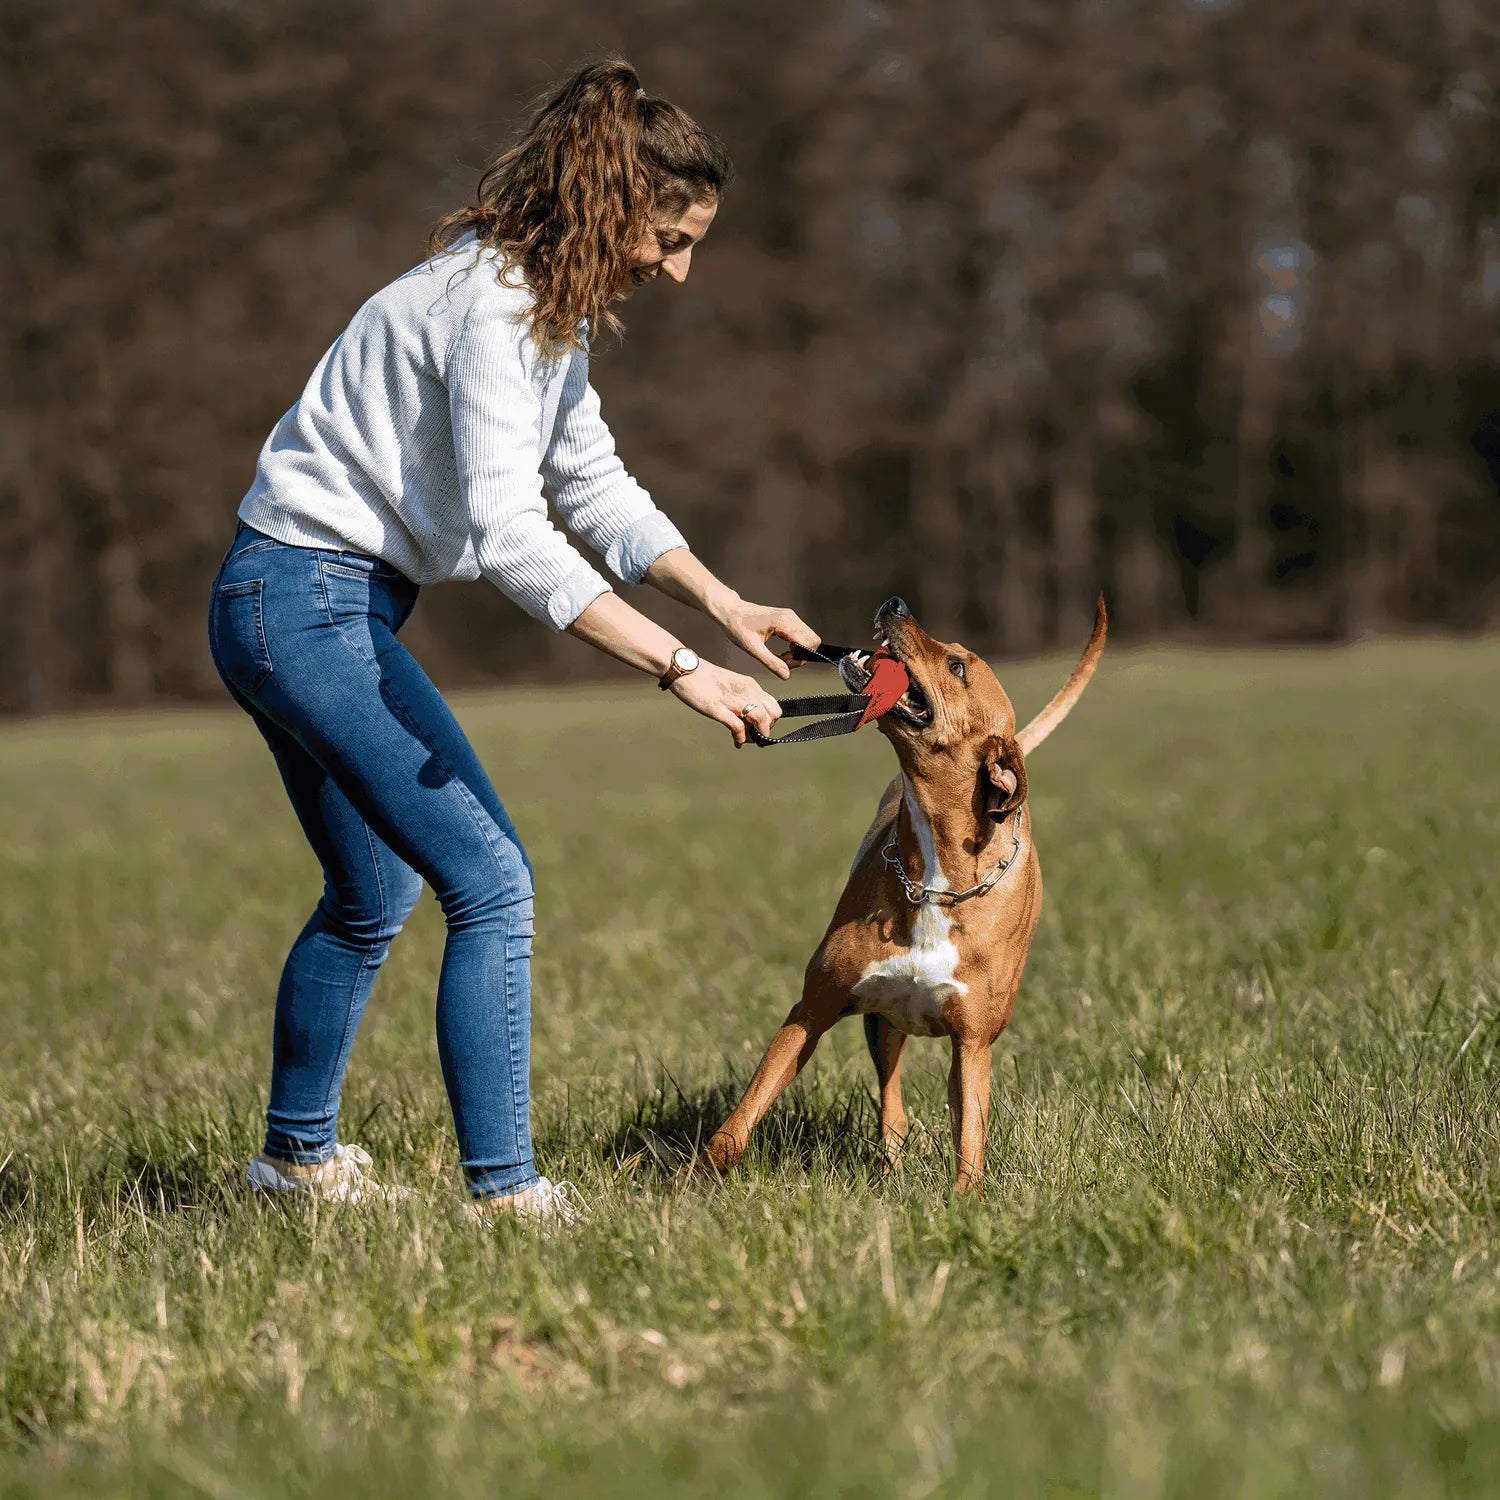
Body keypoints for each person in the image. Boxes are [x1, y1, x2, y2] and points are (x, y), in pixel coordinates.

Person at [207, 56, 820, 1222]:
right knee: (492, 883)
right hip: (303, 601)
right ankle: (506, 1192)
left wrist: (727, 606)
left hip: (301, 602)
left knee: (370, 890)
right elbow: (511, 535)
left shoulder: (545, 313)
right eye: (674, 236)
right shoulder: (487, 309)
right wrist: (684, 670)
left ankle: (293, 1165)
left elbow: (591, 482)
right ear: (614, 206)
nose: (681, 269)